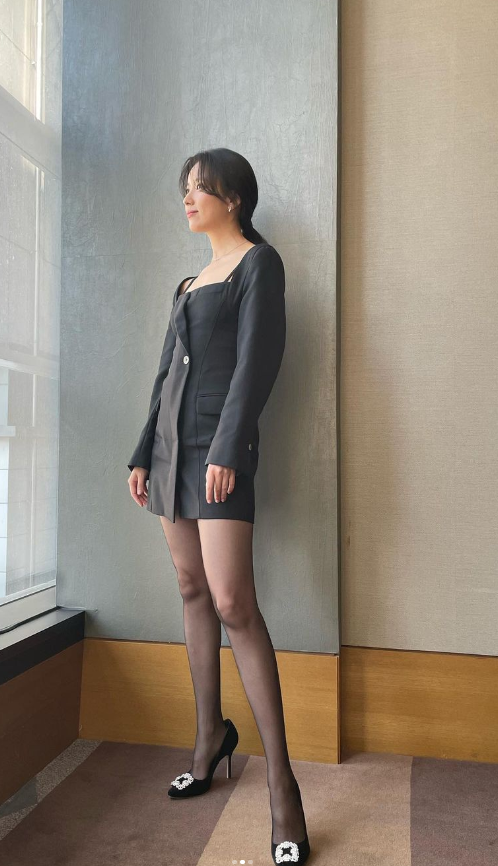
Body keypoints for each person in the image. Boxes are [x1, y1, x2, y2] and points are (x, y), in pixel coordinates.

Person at [127, 148, 310, 865]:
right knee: (191, 588)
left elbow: (258, 362)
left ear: (233, 197)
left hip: (217, 450)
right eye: (185, 188)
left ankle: (283, 791)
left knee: (235, 603)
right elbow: (163, 377)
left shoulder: (258, 265)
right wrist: (141, 453)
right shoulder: (186, 283)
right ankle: (208, 740)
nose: (188, 198)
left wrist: (229, 449)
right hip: (169, 454)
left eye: (200, 188)